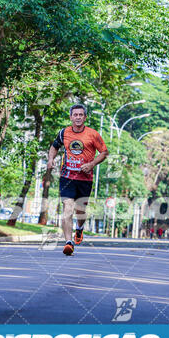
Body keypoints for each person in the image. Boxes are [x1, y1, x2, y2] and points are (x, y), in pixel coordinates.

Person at [47, 104, 109, 256]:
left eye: (81, 115)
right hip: (67, 177)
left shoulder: (93, 134)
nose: (78, 117)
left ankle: (79, 229)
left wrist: (92, 164)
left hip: (85, 179)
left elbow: (104, 152)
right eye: (75, 115)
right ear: (71, 117)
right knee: (68, 208)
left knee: (80, 211)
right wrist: (50, 159)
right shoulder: (64, 133)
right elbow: (54, 146)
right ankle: (68, 242)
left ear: (85, 117)